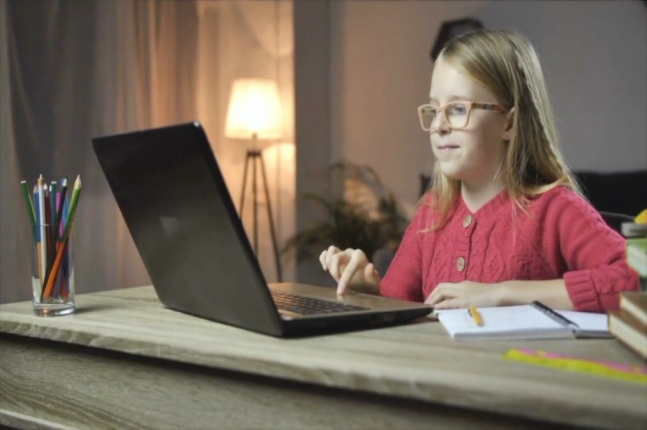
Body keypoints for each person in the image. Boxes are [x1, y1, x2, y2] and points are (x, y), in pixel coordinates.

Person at [319, 29, 640, 312]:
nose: (439, 126)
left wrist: (505, 293)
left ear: (510, 122)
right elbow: (399, 306)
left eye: (458, 109)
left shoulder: (556, 210)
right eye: (434, 109)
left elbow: (635, 280)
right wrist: (368, 289)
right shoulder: (432, 213)